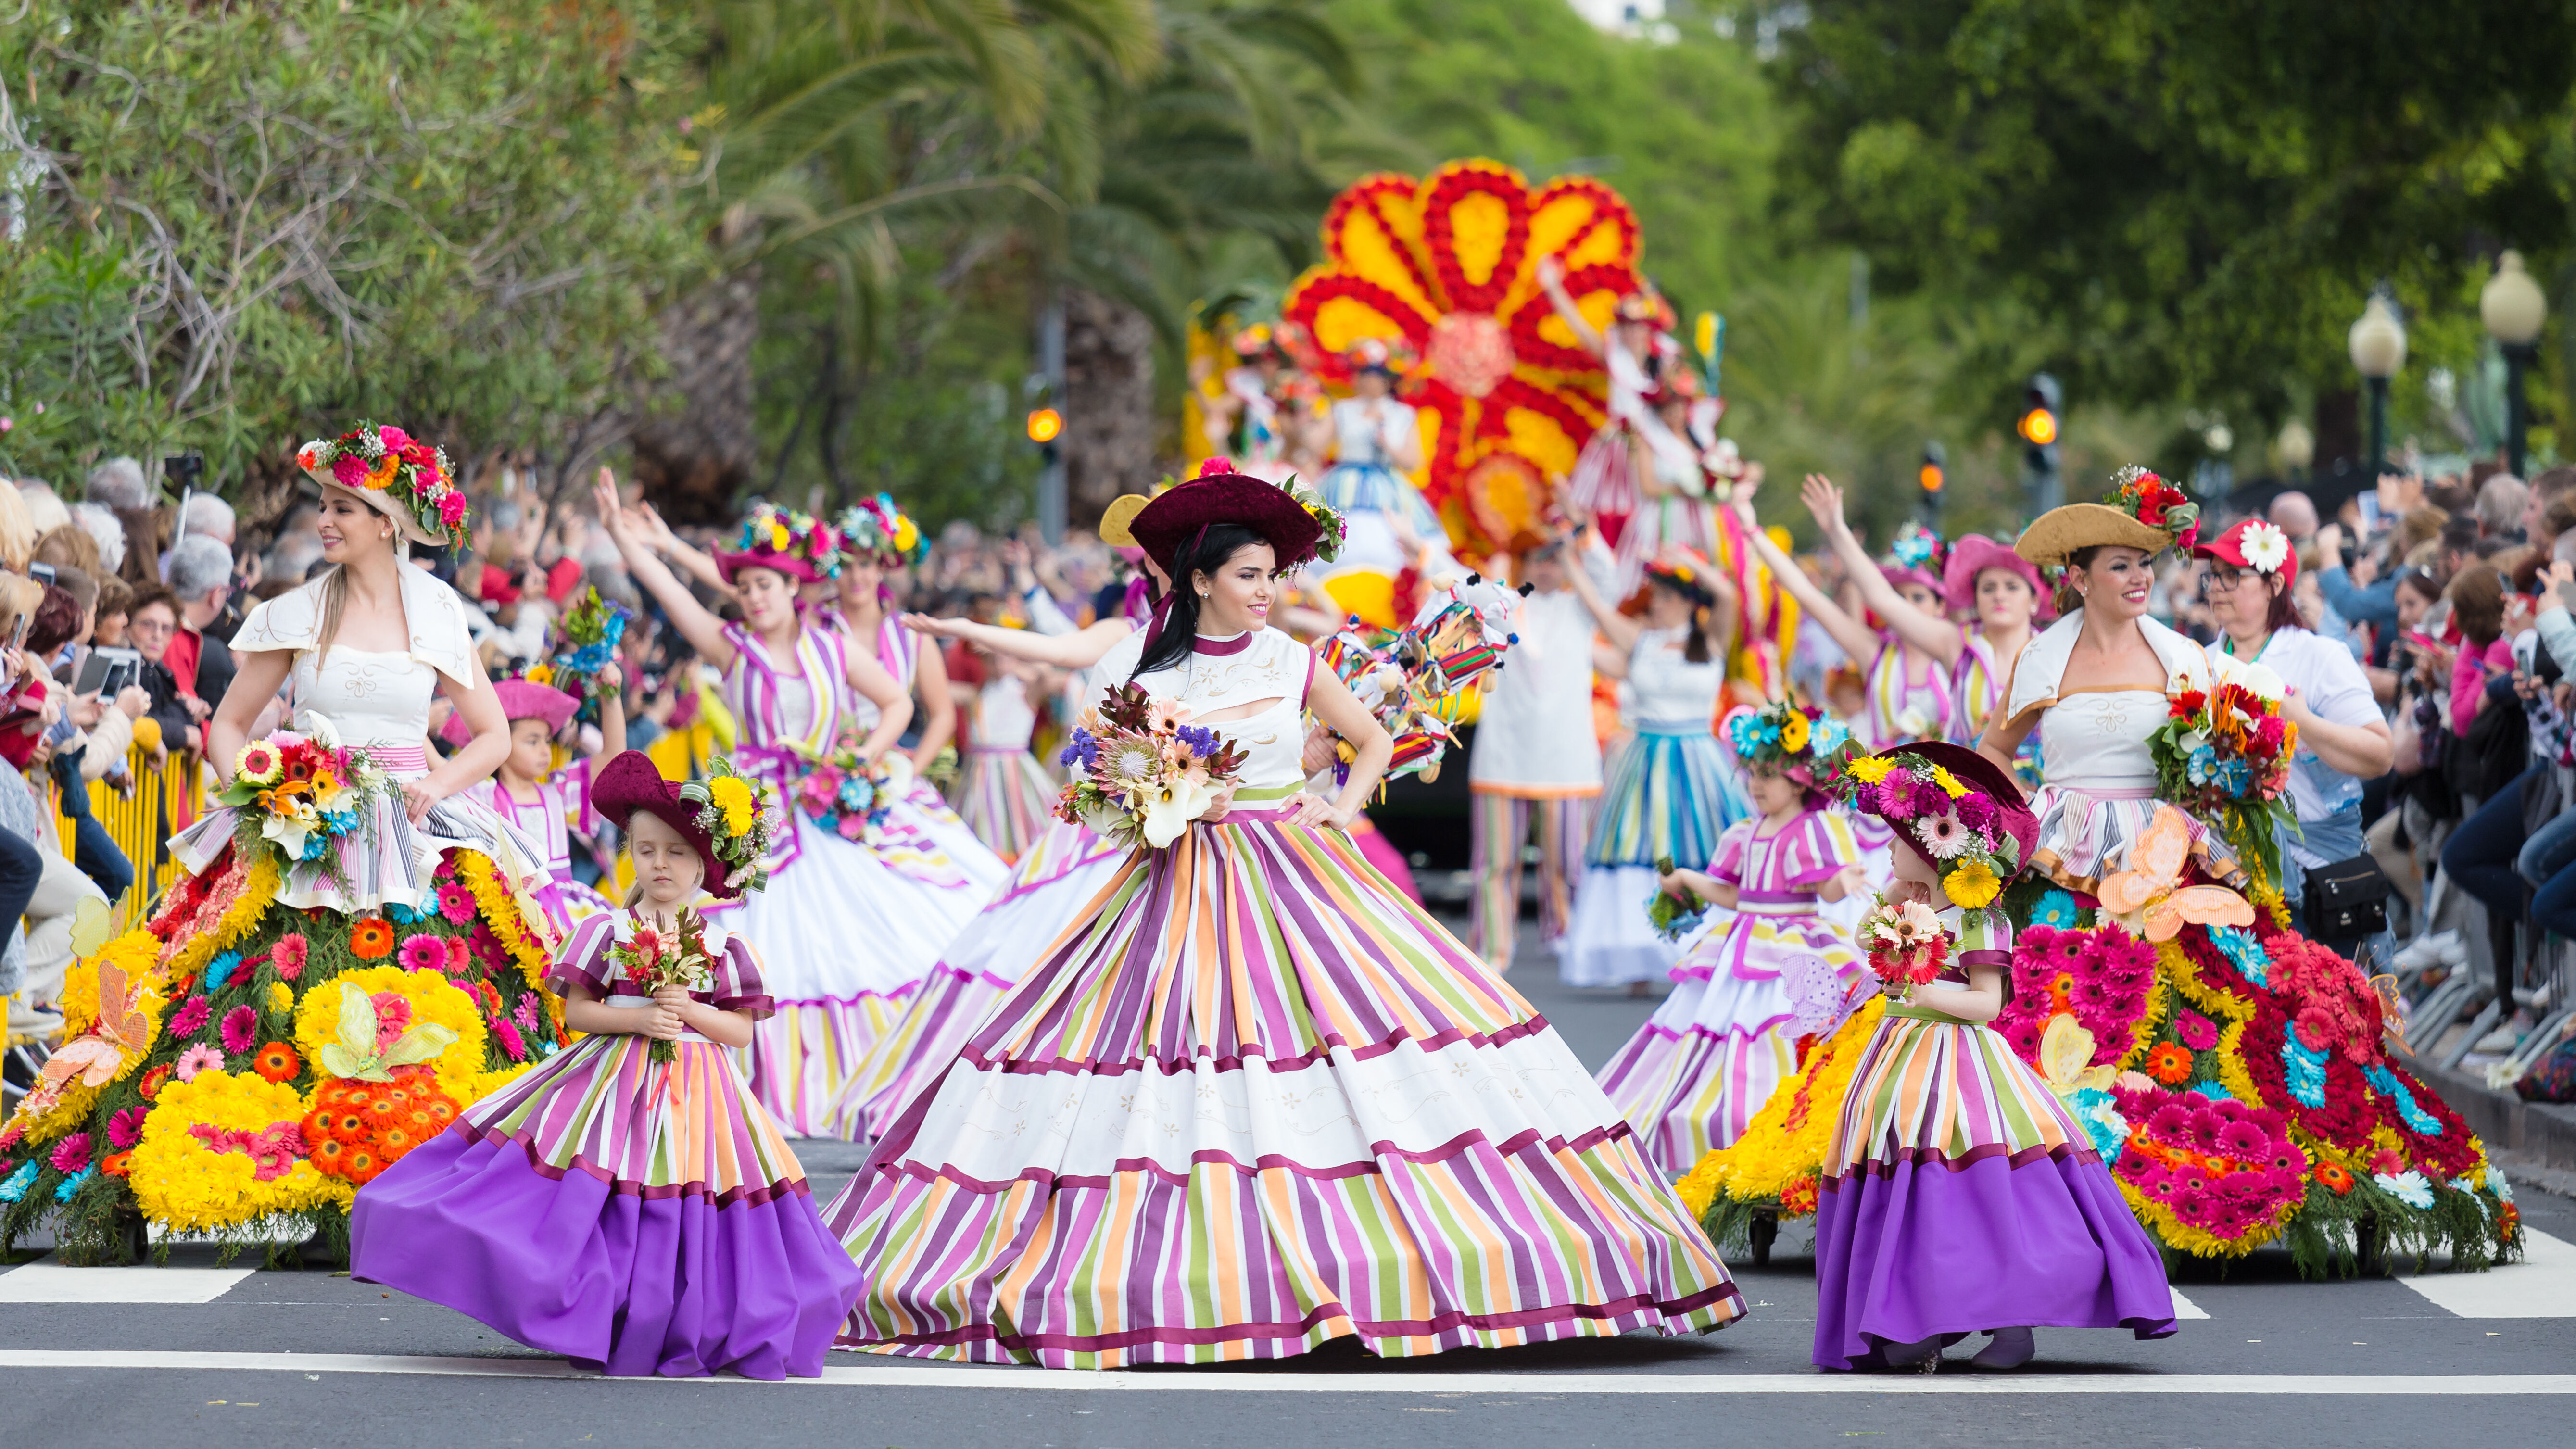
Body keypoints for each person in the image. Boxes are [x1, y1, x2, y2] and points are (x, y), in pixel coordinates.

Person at [825, 466, 1744, 1365]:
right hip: (1179, 883)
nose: (1268, 592)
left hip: (1295, 870)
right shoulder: (1154, 670)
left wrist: (1341, 807)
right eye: (1249, 575)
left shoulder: (1294, 657)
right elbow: (1113, 781)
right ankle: (1206, 1259)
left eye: (1273, 575)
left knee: (1348, 1038)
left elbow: (1374, 737)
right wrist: (1149, 807)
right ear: (1199, 581)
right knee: (1169, 1057)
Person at [351, 751, 863, 1379]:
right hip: (610, 1084)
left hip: (702, 1096)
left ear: (705, 864)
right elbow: (581, 1014)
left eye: (676, 853)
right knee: (603, 1197)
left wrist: (690, 1013)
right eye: (647, 850)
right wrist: (641, 1019)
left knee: (684, 1198)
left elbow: (740, 1031)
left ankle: (683, 1316)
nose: (660, 865)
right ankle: (605, 1310)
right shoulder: (608, 928)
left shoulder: (724, 944)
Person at [594, 476, 956, 1139]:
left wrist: (861, 758)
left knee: (857, 938)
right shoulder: (735, 649)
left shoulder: (833, 645)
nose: (756, 596)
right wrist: (624, 534)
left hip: (827, 810)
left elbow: (898, 704)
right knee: (768, 941)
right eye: (748, 586)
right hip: (757, 819)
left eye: (768, 585)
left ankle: (865, 1075)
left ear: (795, 588)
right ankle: (757, 1077)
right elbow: (673, 596)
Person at [1811, 742, 2175, 1371]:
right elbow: (1868, 933)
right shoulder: (1907, 901)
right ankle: (1916, 1313)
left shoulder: (1979, 918)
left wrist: (1918, 984)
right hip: (1900, 1054)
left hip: (1956, 1061)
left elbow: (1986, 1003)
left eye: (1899, 839)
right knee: (1917, 1187)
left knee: (1974, 1192)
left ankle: (2001, 1325)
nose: (1888, 851)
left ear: (1933, 848)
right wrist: (1895, 918)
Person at [824, 502, 1169, 1141]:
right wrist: (973, 630)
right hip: (1108, 822)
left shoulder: (1224, 637)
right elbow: (1058, 646)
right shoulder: (1131, 629)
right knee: (1050, 954)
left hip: (1181, 818)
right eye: (1160, 550)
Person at [1594, 700, 1866, 1175]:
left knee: (1781, 1028)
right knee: (1713, 1028)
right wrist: (1685, 879)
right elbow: (1735, 894)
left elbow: (1826, 885)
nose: (1756, 784)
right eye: (1752, 773)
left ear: (1800, 780)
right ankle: (1712, 1119)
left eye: (1768, 775)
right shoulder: (1745, 831)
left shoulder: (1813, 829)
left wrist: (1841, 882)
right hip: (1742, 941)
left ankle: (1780, 1123)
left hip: (1792, 947)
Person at [1556, 545, 1741, 991]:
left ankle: (1701, 951)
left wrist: (1692, 562)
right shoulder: (1642, 640)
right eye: (1655, 594)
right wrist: (1568, 563)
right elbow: (1598, 610)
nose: (1655, 602)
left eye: (1664, 594)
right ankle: (1641, 954)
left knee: (1702, 849)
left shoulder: (1711, 639)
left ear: (1686, 600)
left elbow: (1730, 598)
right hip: (1646, 755)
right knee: (1638, 850)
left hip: (1698, 756)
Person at [2193, 518, 2394, 910]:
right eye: (2213, 576)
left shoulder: (2319, 655)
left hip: (2317, 877)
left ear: (2275, 585)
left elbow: (2380, 754)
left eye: (2233, 575)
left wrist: (2301, 720)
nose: (2216, 586)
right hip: (2220, 878)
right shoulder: (2197, 663)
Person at [1466, 517, 1616, 970]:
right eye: (1538, 559)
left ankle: (1568, 938)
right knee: (1495, 864)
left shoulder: (1581, 610)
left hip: (1566, 757)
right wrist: (1499, 560)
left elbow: (1608, 576)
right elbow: (1465, 589)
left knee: (1569, 863)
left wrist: (1580, 535)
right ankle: (1493, 948)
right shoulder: (1504, 606)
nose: (1547, 569)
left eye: (1555, 560)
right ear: (1523, 563)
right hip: (1505, 754)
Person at [445, 669, 626, 935]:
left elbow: (613, 759)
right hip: (510, 910)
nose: (545, 750)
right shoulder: (485, 795)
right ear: (500, 744)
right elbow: (444, 774)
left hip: (565, 912)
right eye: (532, 741)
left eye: (547, 741)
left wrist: (611, 695)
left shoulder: (559, 792)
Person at [1315, 340, 1442, 572]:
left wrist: (1388, 445)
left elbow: (1413, 462)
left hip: (1386, 484)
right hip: (1343, 482)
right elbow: (1317, 445)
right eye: (1362, 374)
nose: (1366, 381)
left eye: (1373, 375)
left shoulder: (1401, 414)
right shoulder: (1343, 409)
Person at [945, 643, 1061, 864]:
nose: (997, 664)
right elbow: (938, 689)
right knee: (981, 828)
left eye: (1002, 659)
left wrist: (1013, 661)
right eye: (991, 660)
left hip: (1015, 769)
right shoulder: (977, 694)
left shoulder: (1024, 691)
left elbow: (1045, 673)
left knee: (1026, 828)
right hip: (980, 771)